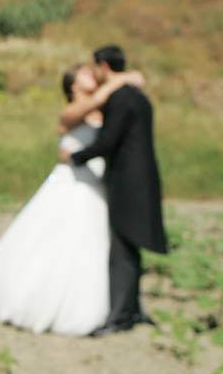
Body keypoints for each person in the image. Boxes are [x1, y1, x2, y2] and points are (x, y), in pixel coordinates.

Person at [0, 63, 144, 335]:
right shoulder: (71, 112)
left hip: (95, 187)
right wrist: (122, 78)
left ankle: (97, 307)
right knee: (54, 240)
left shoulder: (102, 112)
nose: (93, 76)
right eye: (86, 73)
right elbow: (96, 102)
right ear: (73, 84)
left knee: (92, 246)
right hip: (70, 184)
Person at [60, 44, 168, 335]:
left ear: (103, 67)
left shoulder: (120, 97)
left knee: (122, 247)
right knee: (129, 246)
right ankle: (132, 308)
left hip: (126, 180)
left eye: (93, 68)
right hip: (136, 178)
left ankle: (120, 317)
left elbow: (108, 141)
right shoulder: (134, 94)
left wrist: (76, 157)